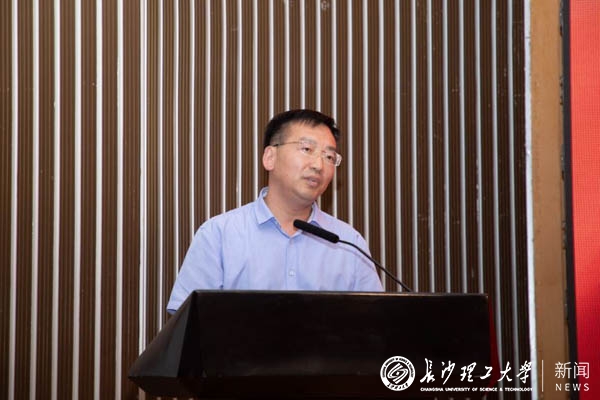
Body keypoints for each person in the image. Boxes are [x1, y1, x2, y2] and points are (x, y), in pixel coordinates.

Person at [167, 109, 383, 313]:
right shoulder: (219, 235)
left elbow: (375, 322)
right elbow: (188, 322)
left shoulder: (348, 243)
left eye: (329, 157)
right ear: (270, 157)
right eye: (307, 149)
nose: (319, 165)